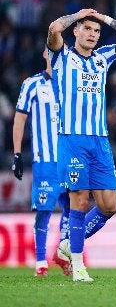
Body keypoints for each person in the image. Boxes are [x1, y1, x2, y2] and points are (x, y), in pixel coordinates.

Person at [46, 8, 116, 282]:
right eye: (87, 28)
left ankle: (67, 244)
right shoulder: (62, 56)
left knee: (110, 205)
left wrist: (106, 19)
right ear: (75, 31)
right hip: (73, 139)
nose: (92, 34)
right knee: (79, 200)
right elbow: (54, 28)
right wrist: (79, 14)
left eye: (96, 30)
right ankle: (78, 265)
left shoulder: (103, 57)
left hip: (100, 141)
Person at [12, 48, 71, 277]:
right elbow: (20, 118)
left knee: (74, 206)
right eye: (53, 51)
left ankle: (62, 253)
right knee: (44, 210)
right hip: (45, 159)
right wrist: (17, 154)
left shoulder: (70, 85)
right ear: (45, 54)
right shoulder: (32, 84)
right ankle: (40, 262)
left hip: (69, 158)